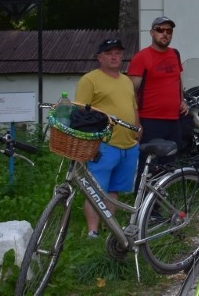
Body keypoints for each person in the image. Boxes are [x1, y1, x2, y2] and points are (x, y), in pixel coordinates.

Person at [76, 38, 141, 238]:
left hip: (128, 145)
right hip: (104, 144)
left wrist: (138, 127)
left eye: (118, 53)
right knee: (95, 190)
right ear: (99, 57)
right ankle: (92, 232)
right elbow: (80, 111)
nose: (114, 57)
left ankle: (109, 229)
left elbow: (133, 107)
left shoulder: (126, 81)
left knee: (114, 190)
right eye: (109, 53)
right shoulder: (90, 80)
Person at [127, 16, 187, 178]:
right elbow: (130, 93)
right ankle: (142, 195)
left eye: (169, 31)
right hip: (150, 120)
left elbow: (177, 80)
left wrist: (182, 101)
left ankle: (162, 194)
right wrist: (136, 123)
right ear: (152, 33)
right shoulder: (142, 57)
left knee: (169, 167)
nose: (165, 34)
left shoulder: (174, 54)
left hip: (174, 120)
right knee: (147, 168)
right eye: (160, 30)